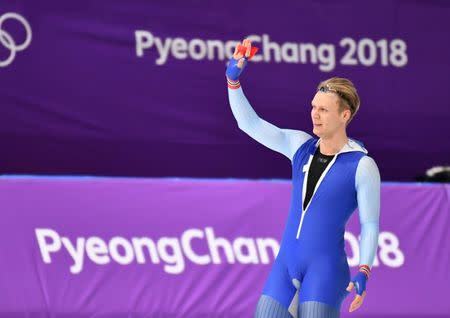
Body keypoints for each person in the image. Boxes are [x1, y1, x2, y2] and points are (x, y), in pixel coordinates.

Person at [226, 39, 380, 318]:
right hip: (286, 263)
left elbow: (370, 224)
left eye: (323, 110)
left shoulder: (362, 165)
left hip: (326, 269)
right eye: (313, 106)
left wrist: (364, 270)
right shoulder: (300, 146)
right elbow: (249, 124)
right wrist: (232, 82)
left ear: (344, 115)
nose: (314, 114)